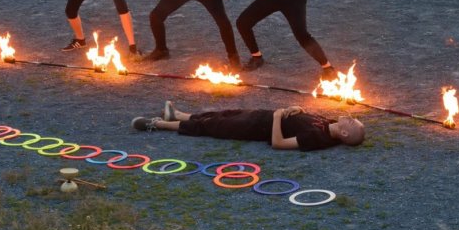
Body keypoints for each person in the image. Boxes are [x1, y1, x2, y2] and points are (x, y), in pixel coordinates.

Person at [132, 101, 366, 151]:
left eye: (350, 121)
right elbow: (302, 118)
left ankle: (159, 124)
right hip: (260, 115)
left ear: (344, 133)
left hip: (256, 128)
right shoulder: (329, 124)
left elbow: (279, 143)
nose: (346, 116)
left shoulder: (318, 139)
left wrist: (277, 117)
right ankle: (179, 114)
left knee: (213, 126)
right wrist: (298, 109)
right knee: (222, 113)